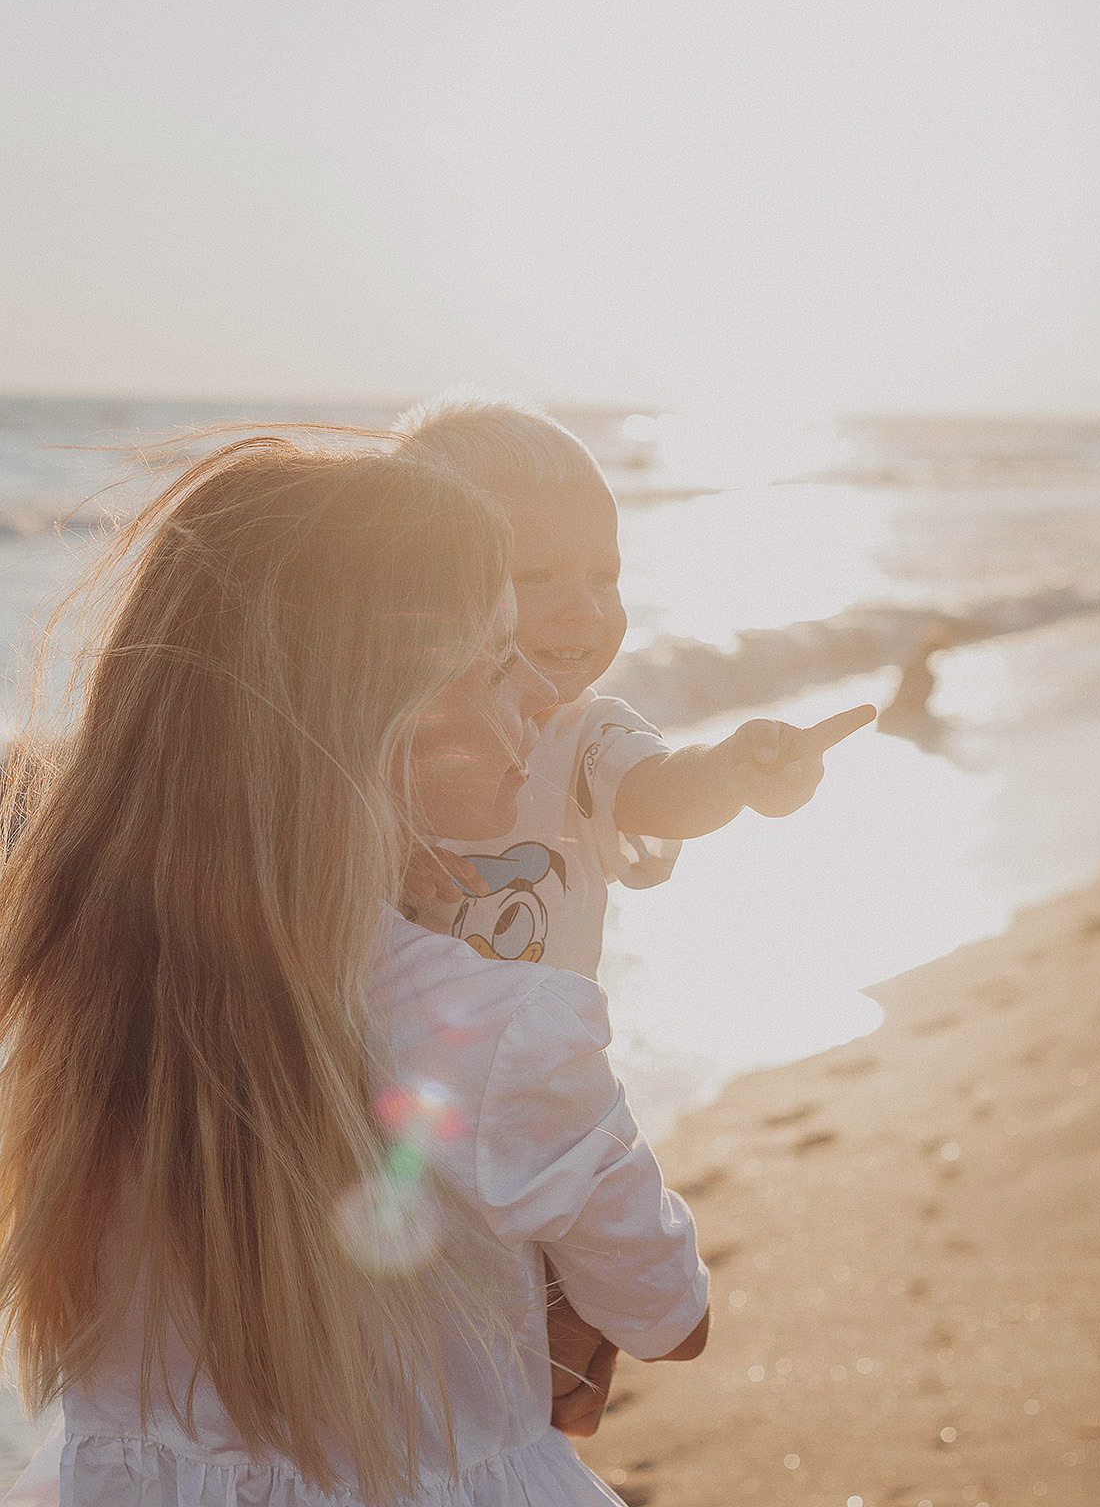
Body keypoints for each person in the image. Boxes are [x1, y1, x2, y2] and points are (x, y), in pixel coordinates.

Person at [0, 436, 708, 1507]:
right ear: (377, 731)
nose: (534, 702)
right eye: (489, 666)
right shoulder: (504, 1027)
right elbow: (672, 1317)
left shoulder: (83, 983)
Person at [393, 399, 877, 979]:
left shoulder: (585, 737)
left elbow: (660, 792)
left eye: (605, 576)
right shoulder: (374, 735)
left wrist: (729, 771)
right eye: (536, 577)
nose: (584, 609)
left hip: (544, 1059)